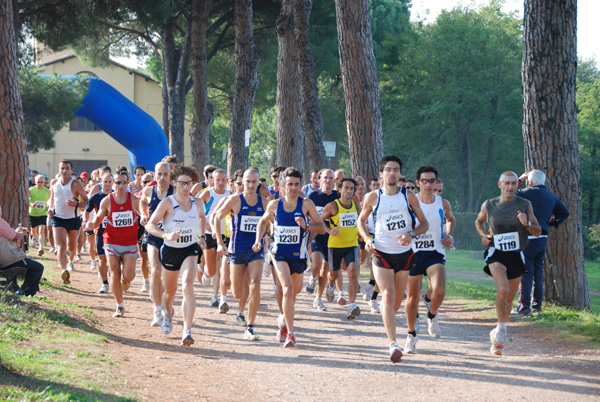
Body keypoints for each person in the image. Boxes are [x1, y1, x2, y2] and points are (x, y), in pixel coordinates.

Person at [358, 155, 429, 363]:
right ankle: (393, 345)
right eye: (388, 169)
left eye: (396, 169)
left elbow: (423, 224)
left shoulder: (408, 197)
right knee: (388, 295)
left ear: (399, 174)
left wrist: (411, 235)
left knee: (396, 302)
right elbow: (361, 221)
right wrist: (366, 239)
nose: (392, 173)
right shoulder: (373, 197)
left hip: (404, 255)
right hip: (381, 252)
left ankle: (385, 311)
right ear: (381, 173)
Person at [254, 167, 325, 347]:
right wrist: (259, 240)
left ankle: (283, 320)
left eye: (296, 184)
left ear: (300, 185)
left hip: (299, 255)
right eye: (289, 184)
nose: (293, 188)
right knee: (287, 290)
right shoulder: (274, 205)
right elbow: (262, 222)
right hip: (279, 253)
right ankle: (291, 334)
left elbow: (321, 227)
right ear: (282, 185)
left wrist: (306, 226)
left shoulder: (306, 204)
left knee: (295, 292)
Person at [475, 171, 541, 356]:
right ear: (500, 185)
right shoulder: (489, 204)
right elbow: (478, 222)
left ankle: (496, 336)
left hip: (516, 255)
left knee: (510, 298)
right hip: (496, 253)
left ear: (517, 185)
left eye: (514, 183)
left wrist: (527, 223)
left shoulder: (525, 205)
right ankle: (502, 328)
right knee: (502, 290)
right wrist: (483, 236)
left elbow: (537, 231)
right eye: (507, 183)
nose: (511, 186)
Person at [146, 164, 207, 346]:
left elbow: (202, 218)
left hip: (190, 249)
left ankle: (187, 331)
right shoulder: (168, 203)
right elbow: (150, 225)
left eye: (189, 183)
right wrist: (165, 234)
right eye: (182, 184)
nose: (186, 187)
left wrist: (202, 236)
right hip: (170, 250)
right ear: (174, 183)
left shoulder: (197, 203)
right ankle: (168, 313)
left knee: (188, 286)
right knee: (169, 294)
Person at [404, 166, 456, 354]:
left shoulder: (443, 203)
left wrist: (448, 235)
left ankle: (432, 315)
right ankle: (411, 335)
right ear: (418, 183)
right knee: (412, 299)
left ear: (436, 183)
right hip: (413, 253)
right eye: (424, 181)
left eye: (431, 181)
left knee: (439, 289)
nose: (428, 184)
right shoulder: (410, 202)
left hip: (435, 251)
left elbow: (450, 219)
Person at [213, 168, 268, 341]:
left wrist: (268, 236)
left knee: (255, 285)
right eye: (248, 181)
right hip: (236, 250)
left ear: (258, 182)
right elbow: (216, 217)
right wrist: (220, 243)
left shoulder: (265, 202)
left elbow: (272, 222)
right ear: (242, 182)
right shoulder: (234, 200)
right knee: (237, 291)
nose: (251, 185)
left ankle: (250, 326)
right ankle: (240, 308)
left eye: (254, 182)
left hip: (255, 250)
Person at [512, 170, 569, 315]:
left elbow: (509, 193)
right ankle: (537, 306)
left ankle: (524, 307)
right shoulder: (551, 196)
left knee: (525, 273)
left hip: (527, 239)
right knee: (538, 273)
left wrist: (519, 179)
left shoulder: (525, 193)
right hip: (542, 239)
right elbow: (564, 213)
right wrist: (550, 222)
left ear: (530, 182)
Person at [85, 171, 142, 318]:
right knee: (115, 273)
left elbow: (144, 213)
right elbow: (98, 218)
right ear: (112, 184)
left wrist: (145, 219)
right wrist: (92, 224)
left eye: (124, 182)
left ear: (128, 183)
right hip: (111, 241)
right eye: (117, 182)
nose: (120, 185)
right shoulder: (107, 201)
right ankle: (119, 305)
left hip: (129, 242)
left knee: (128, 275)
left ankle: (125, 280)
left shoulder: (134, 200)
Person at [321, 177, 362, 319]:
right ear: (339, 189)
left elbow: (361, 222)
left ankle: (352, 305)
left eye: (351, 188)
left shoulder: (357, 206)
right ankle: (330, 283)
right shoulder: (332, 206)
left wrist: (362, 234)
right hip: (335, 245)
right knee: (333, 273)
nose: (349, 191)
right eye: (346, 188)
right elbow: (320, 221)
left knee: (352, 271)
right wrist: (330, 231)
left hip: (351, 244)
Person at [140, 162, 173, 326]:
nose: (162, 177)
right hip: (153, 236)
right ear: (154, 175)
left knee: (167, 278)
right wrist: (142, 215)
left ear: (170, 175)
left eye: (165, 174)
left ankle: (167, 305)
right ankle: (156, 311)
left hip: (171, 239)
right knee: (155, 270)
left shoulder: (176, 192)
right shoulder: (148, 190)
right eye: (159, 174)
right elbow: (142, 202)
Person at [48, 160, 89, 285]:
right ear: (59, 169)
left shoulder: (76, 184)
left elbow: (86, 201)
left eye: (67, 168)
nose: (64, 171)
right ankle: (64, 270)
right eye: (62, 168)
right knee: (61, 245)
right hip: (58, 218)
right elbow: (51, 198)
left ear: (71, 170)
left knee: (71, 248)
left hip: (73, 219)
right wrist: (50, 208)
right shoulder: (54, 183)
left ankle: (69, 260)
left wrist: (76, 204)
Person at [306, 169, 340, 310]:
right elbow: (306, 213)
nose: (327, 180)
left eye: (330, 178)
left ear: (334, 181)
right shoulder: (313, 195)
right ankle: (312, 278)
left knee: (326, 269)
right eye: (325, 177)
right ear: (319, 179)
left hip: (332, 238)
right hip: (316, 235)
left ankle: (318, 299)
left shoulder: (338, 196)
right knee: (317, 263)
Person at [200, 168, 231, 310]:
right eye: (217, 179)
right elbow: (198, 211)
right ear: (212, 180)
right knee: (212, 269)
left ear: (226, 181)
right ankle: (206, 272)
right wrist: (206, 224)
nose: (220, 182)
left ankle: (215, 295)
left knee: (220, 265)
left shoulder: (230, 195)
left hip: (223, 234)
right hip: (208, 233)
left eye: (223, 180)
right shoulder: (207, 193)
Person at [0, 206, 44, 297]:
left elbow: (10, 236)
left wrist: (17, 232)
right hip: (6, 260)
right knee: (37, 268)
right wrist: (22, 233)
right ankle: (25, 292)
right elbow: (16, 237)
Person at [84, 173, 113, 294]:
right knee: (101, 257)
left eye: (109, 182)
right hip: (100, 230)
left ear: (113, 183)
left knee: (113, 259)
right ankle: (105, 283)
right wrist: (86, 222)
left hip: (116, 232)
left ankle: (115, 277)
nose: (107, 184)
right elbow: (87, 211)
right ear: (100, 182)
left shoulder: (117, 196)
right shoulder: (96, 197)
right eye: (105, 182)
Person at [29, 174, 51, 256]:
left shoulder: (47, 191)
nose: (40, 184)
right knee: (33, 230)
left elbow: (50, 201)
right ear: (35, 182)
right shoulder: (31, 190)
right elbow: (26, 201)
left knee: (41, 229)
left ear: (44, 182)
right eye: (38, 182)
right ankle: (34, 238)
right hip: (33, 213)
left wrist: (49, 207)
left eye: (42, 182)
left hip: (43, 213)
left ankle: (41, 247)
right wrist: (31, 204)